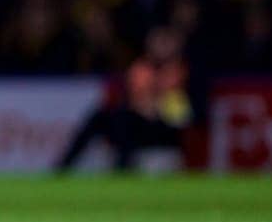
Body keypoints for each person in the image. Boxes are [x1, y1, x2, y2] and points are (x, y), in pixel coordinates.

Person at [56, 25, 191, 171]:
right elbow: (130, 98)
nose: (161, 45)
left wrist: (161, 107)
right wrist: (142, 107)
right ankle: (64, 167)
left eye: (166, 41)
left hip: (166, 125)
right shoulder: (139, 68)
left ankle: (122, 166)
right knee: (103, 116)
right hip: (137, 120)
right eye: (157, 40)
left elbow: (185, 114)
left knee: (129, 122)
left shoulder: (184, 70)